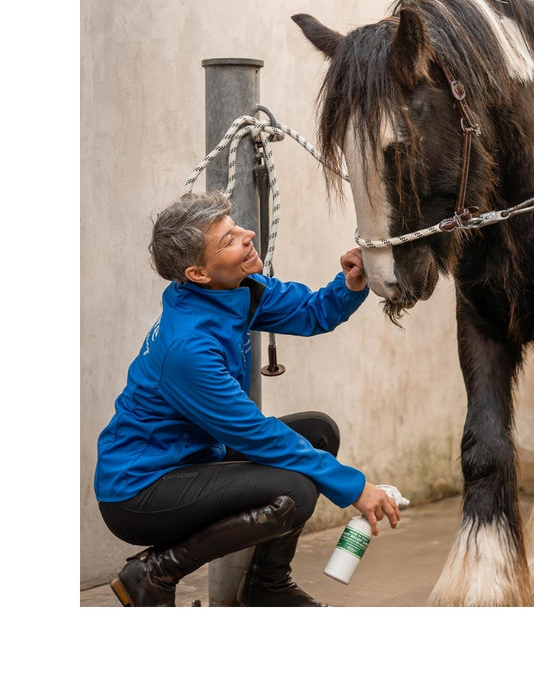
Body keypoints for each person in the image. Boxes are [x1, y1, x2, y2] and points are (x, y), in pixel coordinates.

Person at [94, 190, 401, 607]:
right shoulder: (187, 348)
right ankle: (154, 573)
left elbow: (311, 312)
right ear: (198, 273)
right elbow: (259, 435)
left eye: (235, 226)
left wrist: (350, 283)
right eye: (229, 239)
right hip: (140, 490)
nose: (248, 234)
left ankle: (267, 586)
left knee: (317, 433)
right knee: (296, 490)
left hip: (190, 459)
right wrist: (354, 486)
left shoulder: (238, 289)